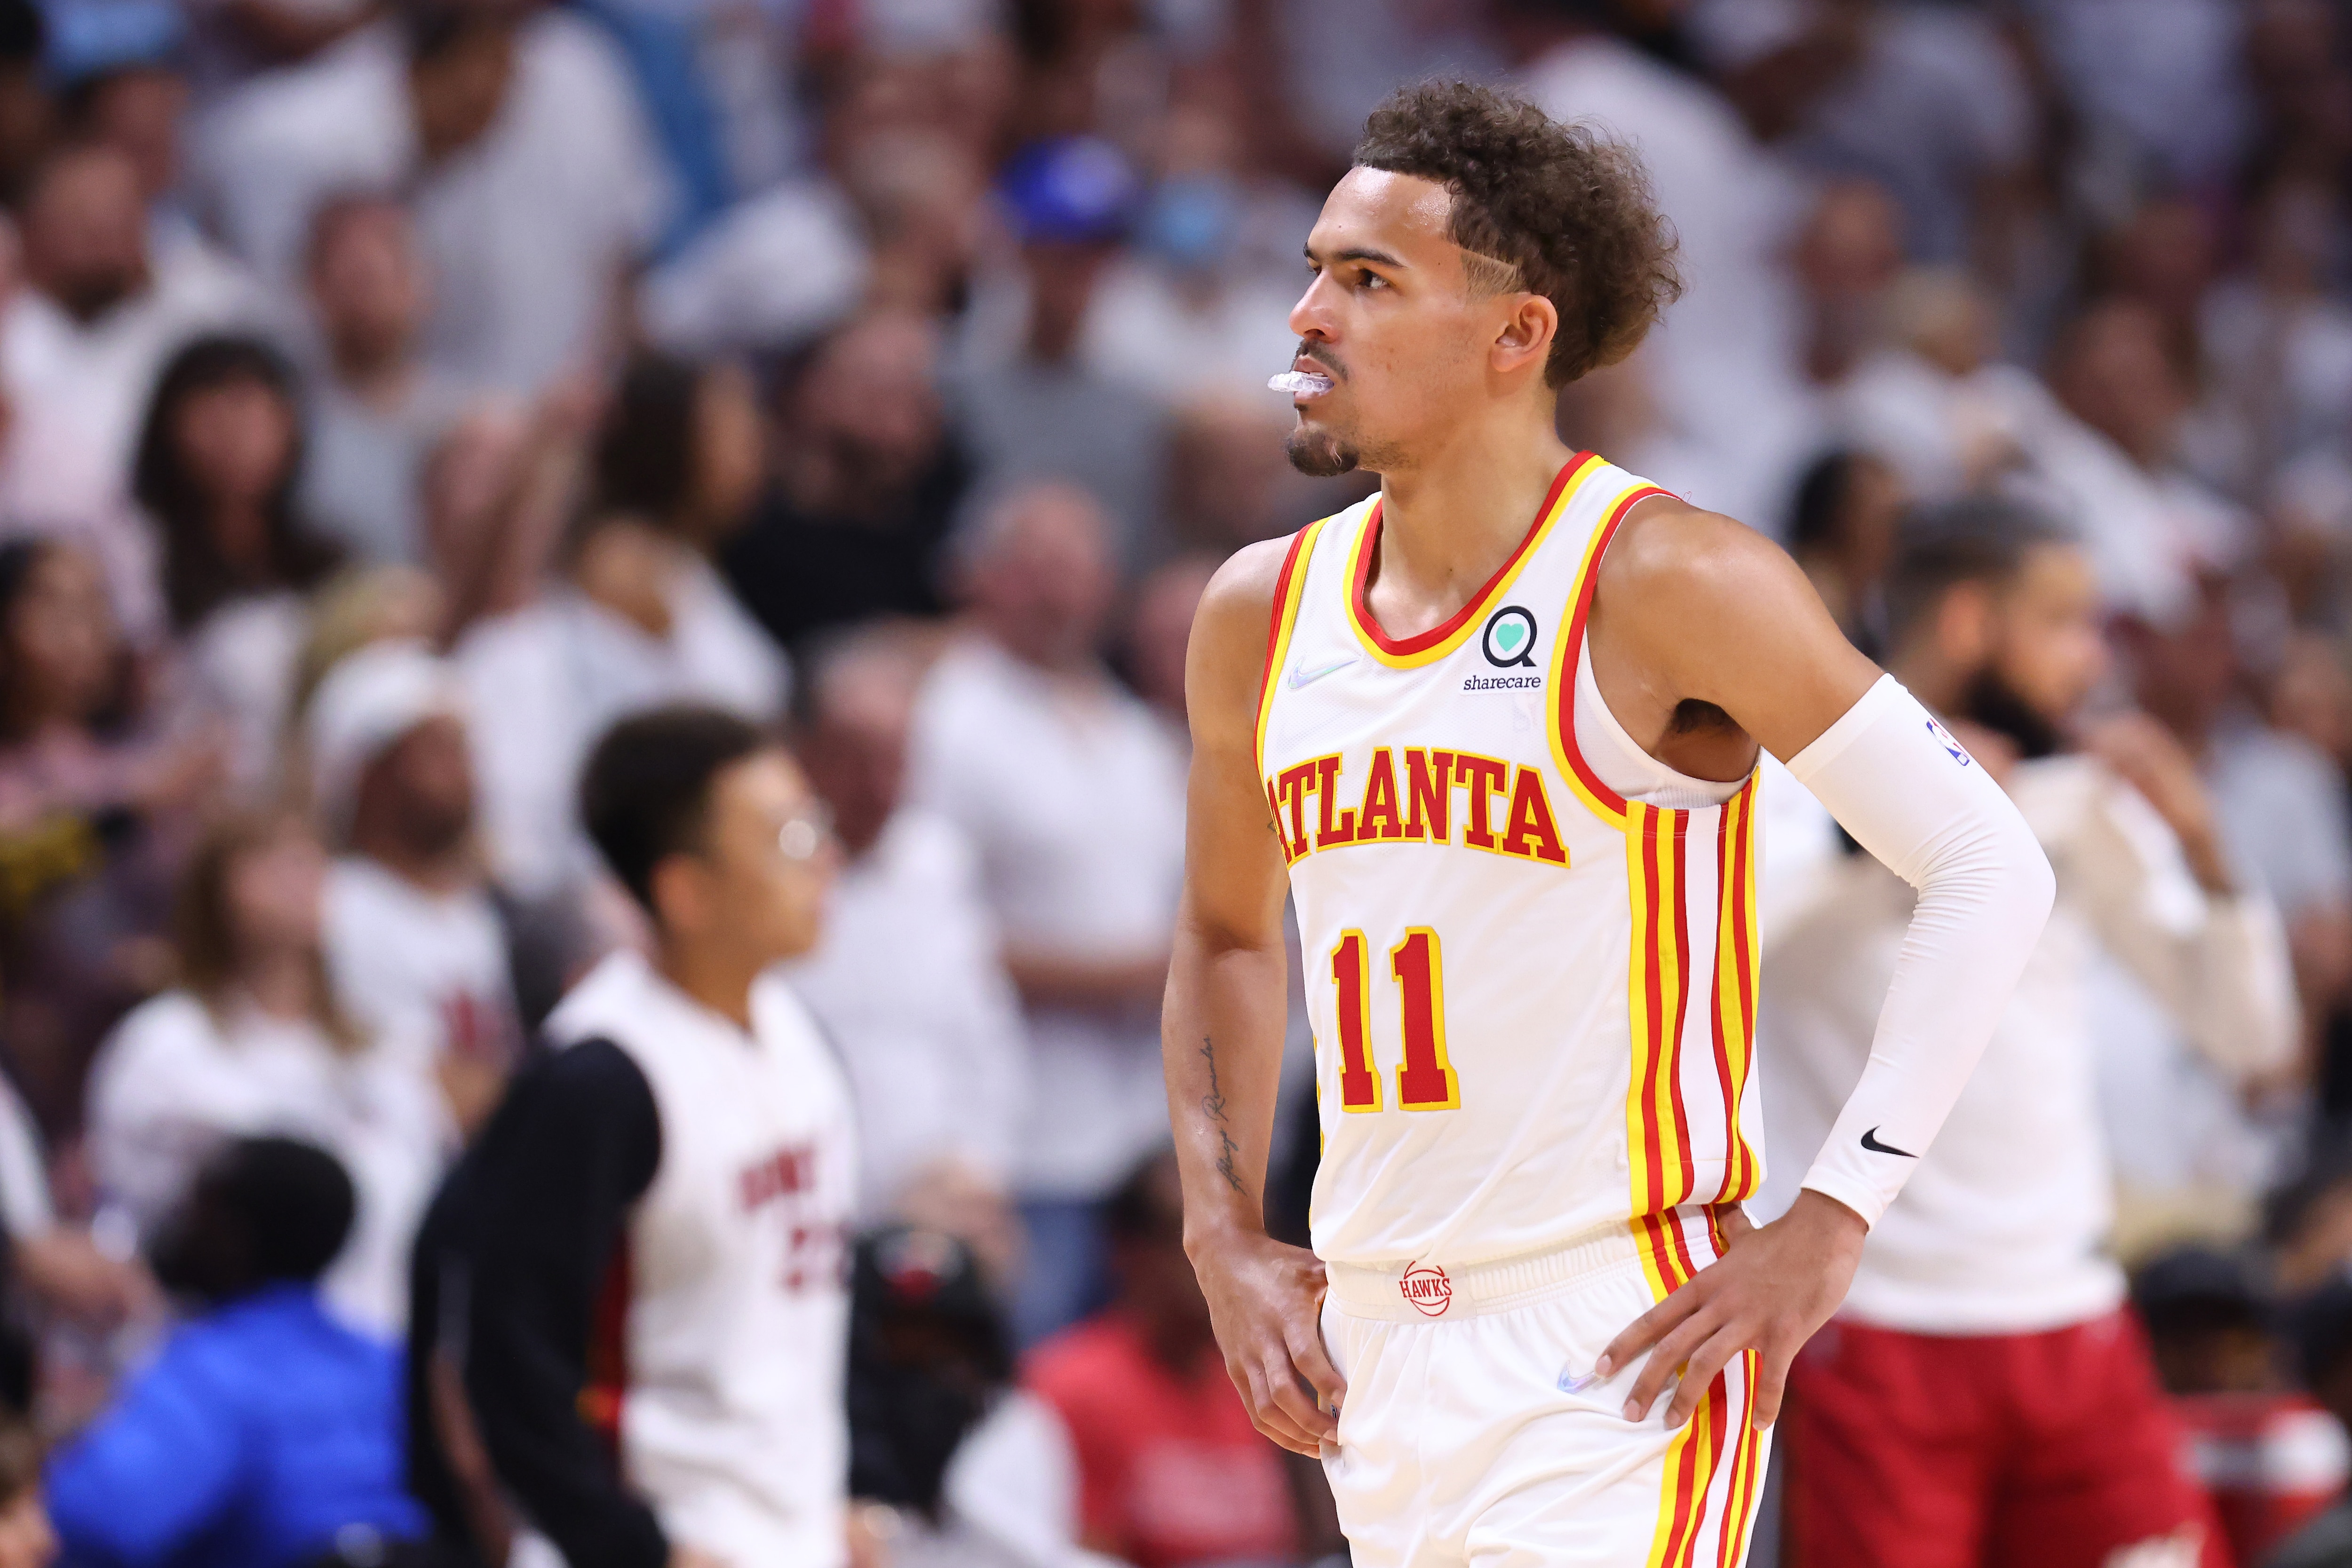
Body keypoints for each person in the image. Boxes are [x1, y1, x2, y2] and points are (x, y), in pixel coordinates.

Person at [1165, 79, 2052, 1564]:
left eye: (1369, 281)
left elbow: (1984, 862)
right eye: (1316, 267)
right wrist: (1220, 1233)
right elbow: (1221, 933)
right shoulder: (1257, 611)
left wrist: (1829, 1219)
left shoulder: (1667, 579)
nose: (1309, 312)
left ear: (1517, 338)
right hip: (1374, 1335)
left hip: (1611, 1339)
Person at [1763, 503, 2295, 1567]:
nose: (2092, 659)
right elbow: (1694, 947)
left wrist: (2201, 843)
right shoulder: (1789, 791)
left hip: (2072, 1315)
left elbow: (2253, 1041)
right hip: (1872, 1333)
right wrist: (1881, 827)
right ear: (1969, 620)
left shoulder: (2074, 798)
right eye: (2064, 623)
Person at [407, 705, 855, 1568]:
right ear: (687, 890)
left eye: (816, 825)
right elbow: (499, 1353)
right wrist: (634, 1548)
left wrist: (846, 1491)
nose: (825, 858)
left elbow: (817, 1297)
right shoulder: (599, 1080)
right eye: (788, 837)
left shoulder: (801, 1032)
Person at [907, 480, 1186, 1346]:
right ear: (984, 577)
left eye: (1080, 567)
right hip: (1021, 1137)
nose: (1062, 590)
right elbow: (923, 934)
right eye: (1038, 567)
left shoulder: (1132, 729)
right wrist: (1118, 977)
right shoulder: (951, 717)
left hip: (1139, 1142)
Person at [84, 813, 448, 1336]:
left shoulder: (384, 1057)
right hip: (225, 1349)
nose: (296, 875)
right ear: (217, 891)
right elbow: (138, 1216)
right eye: (268, 859)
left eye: (308, 858)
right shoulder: (166, 1043)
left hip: (372, 1352)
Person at [455, 350, 786, 899]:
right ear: (671, 438)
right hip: (607, 878)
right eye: (734, 426)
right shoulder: (625, 574)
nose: (759, 445)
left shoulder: (690, 573)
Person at [44, 1136, 428, 1568]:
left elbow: (97, 1519)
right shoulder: (387, 1363)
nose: (179, 1223)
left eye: (196, 1209)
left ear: (233, 1237)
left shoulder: (217, 1368)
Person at [785, 626, 1024, 1222]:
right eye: (854, 758)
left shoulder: (939, 862)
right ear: (800, 751)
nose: (877, 786)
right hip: (802, 1207)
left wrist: (979, 1168)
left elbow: (982, 1035)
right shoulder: (760, 872)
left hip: (936, 1211)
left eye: (894, 758)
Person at [1028, 1151, 1303, 1568]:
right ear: (1128, 1252)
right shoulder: (1068, 1389)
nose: (1232, 1267)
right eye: (1202, 1240)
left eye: (1250, 1241)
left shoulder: (1272, 1377)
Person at [306, 640, 522, 1133]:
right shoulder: (338, 909)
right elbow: (427, 1090)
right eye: (436, 750)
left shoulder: (484, 911)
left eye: (463, 749)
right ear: (367, 772)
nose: (463, 770)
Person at [132, 334, 345, 799]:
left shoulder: (330, 562)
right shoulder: (136, 558)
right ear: (167, 426)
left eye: (249, 408)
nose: (233, 431)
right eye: (211, 409)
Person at [850, 1224, 1106, 1568]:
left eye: (945, 1351)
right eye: (895, 1348)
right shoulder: (803, 1451)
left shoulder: (1018, 1428)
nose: (923, 1375)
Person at [296, 193, 475, 567]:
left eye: (387, 270)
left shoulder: (468, 424)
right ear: (314, 287)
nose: (371, 297)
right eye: (355, 277)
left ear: (422, 283)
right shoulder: (289, 429)